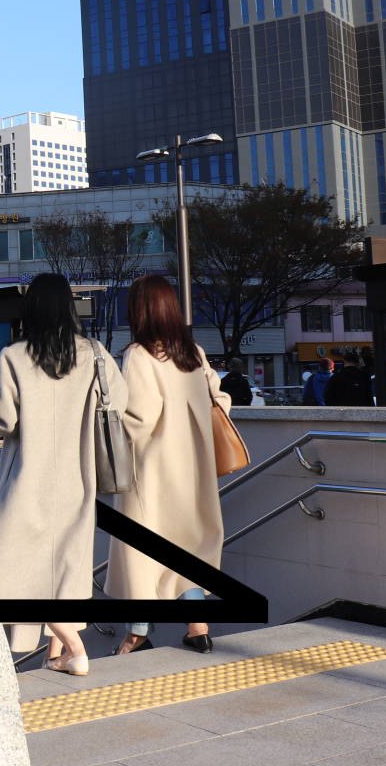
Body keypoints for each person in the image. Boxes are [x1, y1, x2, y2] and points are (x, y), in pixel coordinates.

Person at [0, 274, 127, 676]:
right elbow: (119, 402)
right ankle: (55, 656)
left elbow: (4, 422)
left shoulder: (14, 357)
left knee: (1, 575)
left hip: (28, 481)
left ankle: (76, 650)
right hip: (78, 481)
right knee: (64, 571)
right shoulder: (95, 354)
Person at [108, 273, 226, 656]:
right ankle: (198, 626)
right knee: (186, 549)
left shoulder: (140, 355)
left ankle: (137, 634)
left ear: (140, 310)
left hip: (154, 472)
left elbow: (139, 417)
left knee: (142, 552)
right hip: (193, 471)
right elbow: (219, 402)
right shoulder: (193, 353)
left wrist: (110, 415)